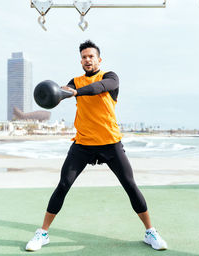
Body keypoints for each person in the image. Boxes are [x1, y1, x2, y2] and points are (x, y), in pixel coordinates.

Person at [26, 40, 167, 251]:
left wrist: (75, 92)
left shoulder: (110, 78)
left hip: (110, 143)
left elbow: (97, 88)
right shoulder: (75, 81)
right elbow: (64, 91)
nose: (87, 59)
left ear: (99, 59)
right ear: (81, 60)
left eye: (91, 56)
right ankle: (43, 233)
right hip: (83, 144)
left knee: (130, 185)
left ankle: (150, 232)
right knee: (63, 184)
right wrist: (57, 93)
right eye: (84, 57)